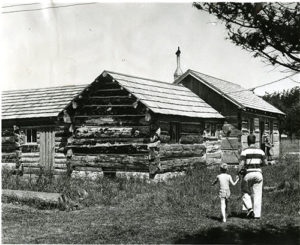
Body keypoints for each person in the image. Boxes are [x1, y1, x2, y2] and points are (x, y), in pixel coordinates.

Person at [239, 134, 268, 219]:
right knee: (258, 194)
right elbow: (265, 163)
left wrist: (238, 172)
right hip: (258, 174)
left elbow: (241, 164)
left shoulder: (244, 151)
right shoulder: (261, 151)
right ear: (255, 141)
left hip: (248, 174)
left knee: (244, 191)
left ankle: (249, 208)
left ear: (248, 141)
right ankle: (257, 215)